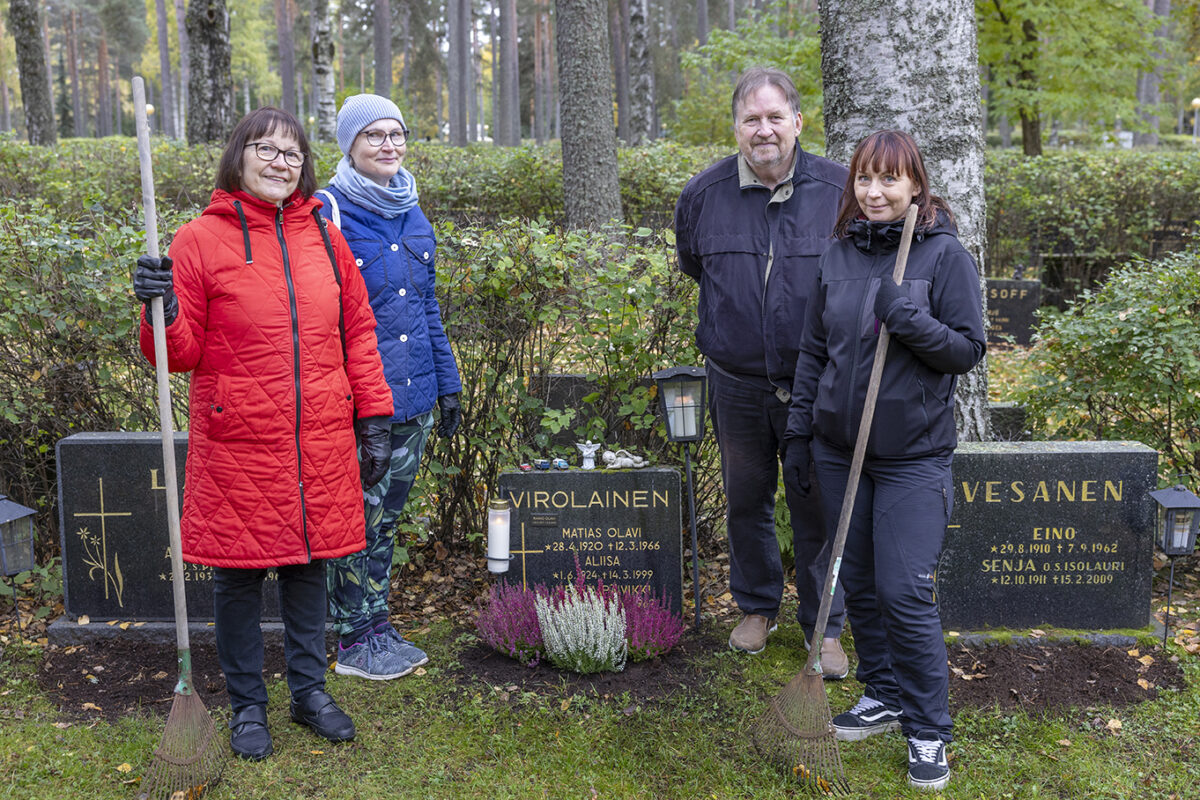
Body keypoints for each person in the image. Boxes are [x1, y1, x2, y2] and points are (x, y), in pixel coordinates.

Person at [132, 107, 395, 761]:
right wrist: (157, 308)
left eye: (293, 154)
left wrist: (376, 414)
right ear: (238, 158)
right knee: (239, 577)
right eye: (267, 149)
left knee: (309, 568)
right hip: (239, 439)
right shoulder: (197, 241)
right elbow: (180, 353)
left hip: (320, 436)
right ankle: (249, 707)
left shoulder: (326, 238)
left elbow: (358, 331)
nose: (282, 162)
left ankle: (309, 693)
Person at [784, 130, 986, 791]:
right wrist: (798, 433)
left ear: (915, 187)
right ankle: (886, 693)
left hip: (911, 458)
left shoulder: (943, 257)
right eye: (864, 180)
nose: (874, 193)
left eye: (889, 181)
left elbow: (965, 350)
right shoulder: (837, 255)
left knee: (905, 590)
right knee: (861, 586)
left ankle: (928, 730)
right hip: (841, 451)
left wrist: (910, 320)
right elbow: (815, 350)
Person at [674, 66, 848, 676]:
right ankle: (755, 607)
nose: (765, 129)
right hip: (738, 383)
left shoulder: (839, 190)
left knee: (818, 504)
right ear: (736, 127)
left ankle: (824, 625)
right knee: (747, 498)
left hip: (816, 385)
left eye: (776, 117)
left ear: (799, 122)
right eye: (752, 119)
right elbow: (695, 265)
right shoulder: (702, 195)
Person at [316, 94, 462, 680]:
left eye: (396, 134)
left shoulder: (412, 209)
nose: (388, 146)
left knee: (388, 519)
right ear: (350, 145)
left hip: (416, 396)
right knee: (357, 518)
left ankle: (377, 619)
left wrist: (447, 385)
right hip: (362, 404)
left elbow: (426, 307)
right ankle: (352, 638)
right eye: (374, 136)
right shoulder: (329, 211)